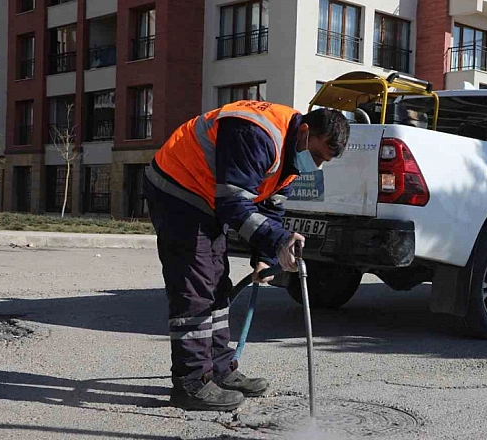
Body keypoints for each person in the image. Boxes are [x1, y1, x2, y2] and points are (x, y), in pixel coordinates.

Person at [143, 100, 350, 411]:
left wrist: (264, 255)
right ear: (306, 131)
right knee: (196, 288)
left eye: (324, 161)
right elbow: (235, 205)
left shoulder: (291, 154)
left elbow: (269, 207)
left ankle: (219, 370)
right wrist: (280, 241)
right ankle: (191, 383)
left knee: (216, 284)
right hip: (178, 189)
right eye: (317, 155)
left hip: (205, 196)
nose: (316, 165)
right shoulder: (256, 133)